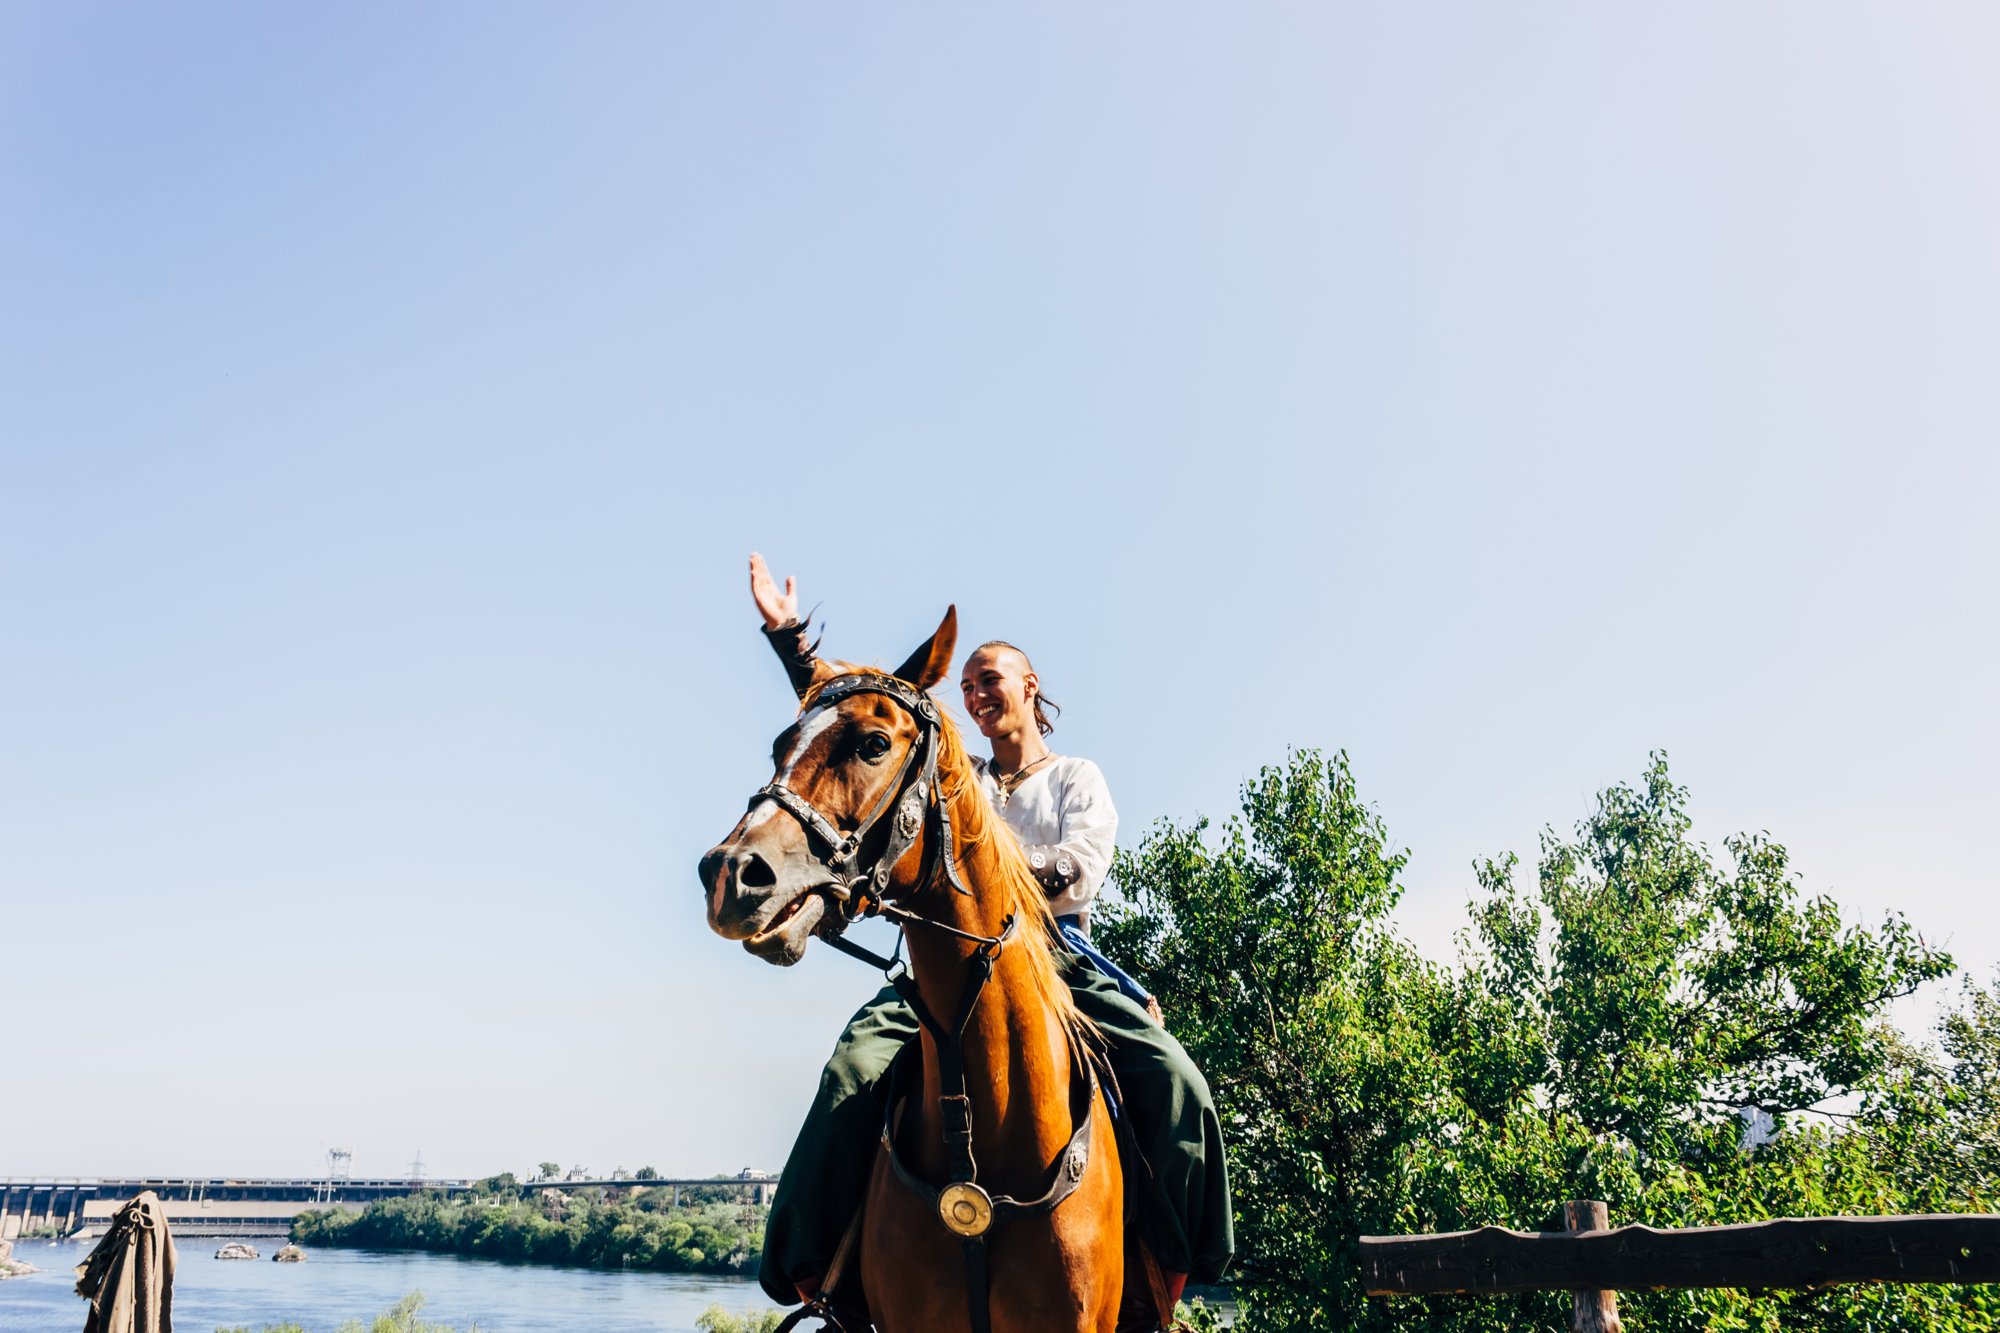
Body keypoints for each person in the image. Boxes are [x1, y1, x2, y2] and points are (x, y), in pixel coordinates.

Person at [745, 554, 1233, 1313]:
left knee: (1176, 1080)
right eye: (965, 685)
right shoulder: (955, 774)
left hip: (1059, 957)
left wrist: (993, 873)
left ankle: (1164, 1277)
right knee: (849, 1072)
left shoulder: (1076, 778)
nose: (973, 694)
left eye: (988, 678)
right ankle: (824, 1278)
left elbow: (1079, 869)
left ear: (1028, 687)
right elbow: (861, 722)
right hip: (942, 967)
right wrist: (788, 640)